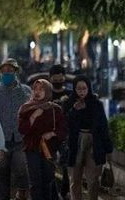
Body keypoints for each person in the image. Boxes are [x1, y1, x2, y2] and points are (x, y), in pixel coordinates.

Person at [0, 58, 31, 200]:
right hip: (0, 141)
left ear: (16, 72)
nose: (6, 73)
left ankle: (22, 192)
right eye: (4, 71)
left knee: (22, 169)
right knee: (0, 173)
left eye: (10, 71)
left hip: (20, 139)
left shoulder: (25, 91)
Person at [65, 75, 113, 200]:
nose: (81, 91)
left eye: (84, 88)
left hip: (94, 142)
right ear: (74, 89)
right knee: (75, 178)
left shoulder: (97, 104)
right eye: (78, 89)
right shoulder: (69, 102)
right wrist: (74, 111)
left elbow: (103, 126)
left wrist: (108, 149)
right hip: (75, 142)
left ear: (89, 88)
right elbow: (65, 124)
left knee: (93, 179)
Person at [18, 79, 68, 200]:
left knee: (48, 180)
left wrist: (52, 133)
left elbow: (63, 129)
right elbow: (22, 129)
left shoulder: (55, 109)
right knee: (35, 182)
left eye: (41, 89)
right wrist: (34, 116)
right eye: (35, 89)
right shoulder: (26, 108)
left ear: (48, 91)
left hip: (49, 149)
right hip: (32, 148)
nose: (37, 92)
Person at [49, 64, 73, 198]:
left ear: (64, 78)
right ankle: (53, 194)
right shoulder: (46, 94)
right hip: (48, 134)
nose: (58, 81)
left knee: (66, 164)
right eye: (55, 79)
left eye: (60, 79)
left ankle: (64, 191)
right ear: (50, 78)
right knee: (49, 165)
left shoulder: (70, 94)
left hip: (65, 134)